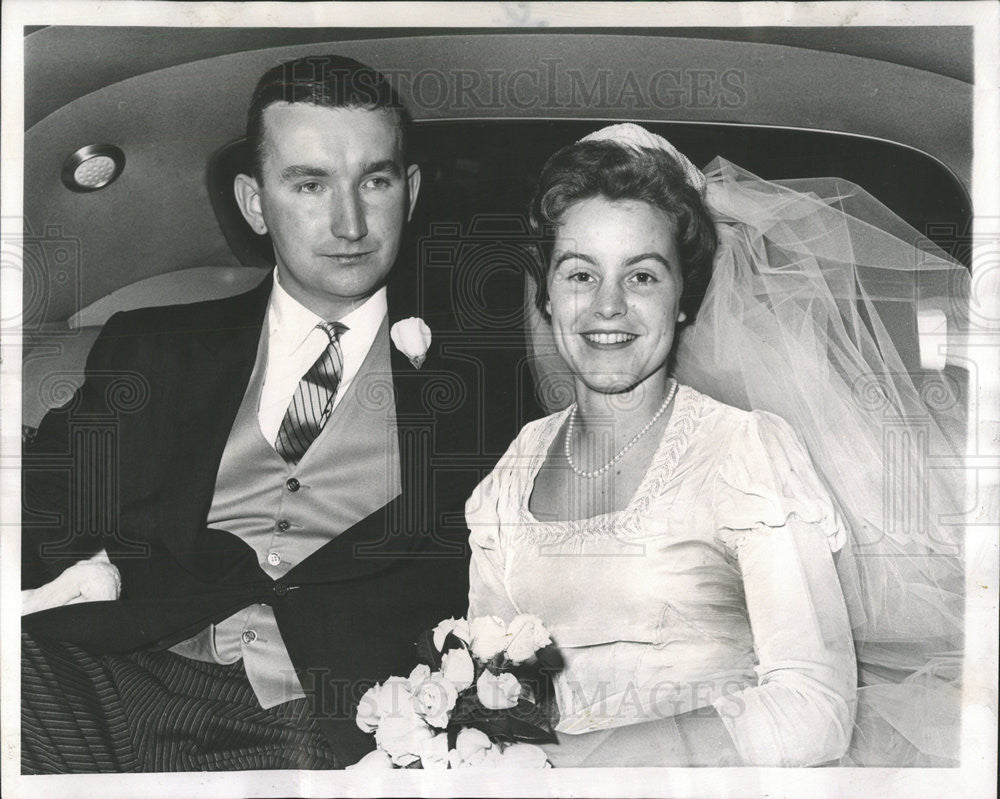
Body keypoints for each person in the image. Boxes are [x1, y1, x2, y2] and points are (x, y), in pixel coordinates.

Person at [21, 55, 535, 772]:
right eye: (310, 184)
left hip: (326, 723)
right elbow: (39, 495)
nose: (349, 222)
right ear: (255, 201)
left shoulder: (489, 383)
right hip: (114, 675)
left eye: (375, 181)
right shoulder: (157, 348)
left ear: (410, 192)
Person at [467, 124, 967, 767]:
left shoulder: (745, 453)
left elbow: (816, 706)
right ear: (547, 292)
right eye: (580, 274)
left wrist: (580, 763)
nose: (608, 306)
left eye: (642, 277)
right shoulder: (515, 470)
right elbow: (490, 693)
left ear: (683, 297)